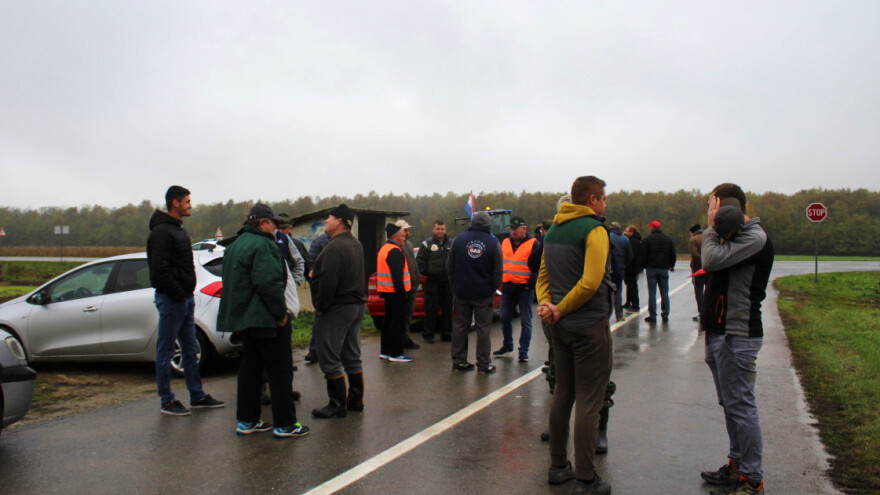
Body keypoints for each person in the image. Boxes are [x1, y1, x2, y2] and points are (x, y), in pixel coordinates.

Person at [537, 175, 613, 495]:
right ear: (592, 199)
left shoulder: (553, 230)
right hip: (588, 327)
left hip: (561, 329)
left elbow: (542, 276)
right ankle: (585, 477)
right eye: (604, 198)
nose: (605, 203)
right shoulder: (594, 229)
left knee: (562, 394)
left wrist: (547, 305)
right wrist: (560, 309)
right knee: (589, 402)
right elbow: (590, 283)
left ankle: (558, 466)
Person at [700, 184, 773, 495]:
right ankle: (737, 465)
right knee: (731, 404)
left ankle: (752, 479)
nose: (712, 213)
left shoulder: (753, 238)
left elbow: (711, 261)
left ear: (726, 208)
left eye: (714, 207)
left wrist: (710, 228)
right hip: (720, 332)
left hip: (738, 335)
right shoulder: (734, 234)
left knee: (741, 406)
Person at [218, 203, 309, 438]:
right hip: (267, 320)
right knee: (280, 371)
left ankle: (247, 421)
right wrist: (280, 315)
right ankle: (285, 424)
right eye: (272, 222)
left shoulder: (235, 245)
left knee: (250, 371)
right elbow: (268, 283)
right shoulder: (264, 244)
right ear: (261, 223)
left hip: (247, 320)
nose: (275, 227)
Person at [147, 185, 224, 416]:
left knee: (191, 350)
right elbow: (159, 271)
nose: (191, 205)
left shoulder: (177, 230)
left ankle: (197, 395)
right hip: (172, 300)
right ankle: (166, 400)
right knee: (166, 352)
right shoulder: (161, 233)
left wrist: (186, 293)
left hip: (184, 299)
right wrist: (179, 293)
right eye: (187, 201)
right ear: (175, 203)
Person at [310, 204, 368, 419]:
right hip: (356, 305)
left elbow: (328, 281)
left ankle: (337, 405)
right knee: (352, 355)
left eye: (330, 217)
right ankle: (355, 400)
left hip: (337, 307)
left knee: (329, 358)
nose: (326, 220)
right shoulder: (355, 244)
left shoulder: (335, 247)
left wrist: (321, 307)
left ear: (340, 222)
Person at [448, 211, 502, 374]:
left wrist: (455, 286)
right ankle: (483, 365)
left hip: (462, 292)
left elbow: (450, 265)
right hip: (483, 293)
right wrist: (492, 289)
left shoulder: (459, 239)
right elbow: (498, 271)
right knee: (483, 328)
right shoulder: (493, 242)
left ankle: (459, 362)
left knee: (460, 326)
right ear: (488, 224)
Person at [494, 216, 542, 362]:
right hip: (508, 287)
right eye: (511, 229)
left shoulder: (534, 243)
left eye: (516, 229)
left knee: (525, 321)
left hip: (524, 289)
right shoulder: (505, 242)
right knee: (504, 317)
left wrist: (530, 285)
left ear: (524, 229)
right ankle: (507, 345)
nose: (513, 232)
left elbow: (537, 267)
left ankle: (523, 351)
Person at [377, 222, 414, 362]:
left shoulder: (385, 249)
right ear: (395, 236)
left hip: (388, 292)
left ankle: (385, 351)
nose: (405, 237)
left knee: (388, 322)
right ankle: (396, 353)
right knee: (396, 324)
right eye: (402, 235)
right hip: (396, 293)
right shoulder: (394, 251)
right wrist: (402, 294)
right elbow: (397, 277)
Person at [416, 220, 453, 343]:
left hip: (447, 282)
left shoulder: (451, 244)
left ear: (445, 230)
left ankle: (447, 334)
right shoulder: (426, 244)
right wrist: (429, 272)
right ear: (433, 230)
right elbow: (420, 262)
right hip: (432, 282)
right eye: (438, 229)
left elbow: (456, 260)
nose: (440, 231)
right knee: (431, 310)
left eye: (442, 229)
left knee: (448, 309)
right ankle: (428, 335)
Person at [641, 220, 676, 322]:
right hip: (664, 268)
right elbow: (672, 253)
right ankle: (665, 314)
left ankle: (653, 315)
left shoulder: (647, 239)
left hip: (651, 268)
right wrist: (671, 265)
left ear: (652, 228)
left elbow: (643, 254)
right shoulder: (668, 239)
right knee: (664, 292)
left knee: (652, 292)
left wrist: (644, 265)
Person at [304, 231, 331, 364]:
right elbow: (312, 264)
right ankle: (314, 350)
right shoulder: (320, 242)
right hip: (322, 285)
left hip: (337, 285)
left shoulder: (345, 241)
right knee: (321, 315)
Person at [395, 219, 421, 350]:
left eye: (408, 229)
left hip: (413, 284)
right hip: (404, 286)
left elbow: (413, 263)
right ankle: (401, 339)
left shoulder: (409, 244)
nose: (408, 232)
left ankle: (405, 337)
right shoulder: (397, 246)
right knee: (402, 315)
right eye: (405, 230)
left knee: (408, 314)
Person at [608, 222, 632, 322]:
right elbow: (630, 255)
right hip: (620, 268)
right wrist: (625, 265)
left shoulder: (607, 236)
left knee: (607, 292)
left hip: (608, 267)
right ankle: (619, 315)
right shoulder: (625, 239)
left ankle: (606, 316)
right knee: (618, 292)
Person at [622, 225, 642, 312]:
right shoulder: (635, 240)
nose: (626, 233)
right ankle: (628, 302)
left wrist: (627, 264)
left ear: (632, 232)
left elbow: (631, 255)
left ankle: (635, 304)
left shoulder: (633, 242)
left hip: (632, 267)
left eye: (627, 231)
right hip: (633, 267)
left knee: (632, 286)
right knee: (629, 285)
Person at [688, 223, 704, 322]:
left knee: (699, 291)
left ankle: (702, 313)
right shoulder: (708, 237)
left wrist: (701, 264)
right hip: (710, 268)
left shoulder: (693, 240)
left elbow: (695, 255)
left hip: (698, 269)